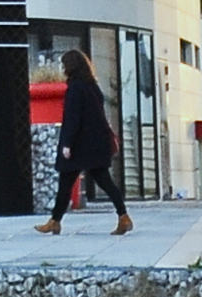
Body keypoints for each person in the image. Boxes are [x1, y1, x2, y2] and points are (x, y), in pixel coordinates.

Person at [35, 49, 131, 236]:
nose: (62, 68)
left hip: (80, 145)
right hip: (96, 143)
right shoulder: (92, 86)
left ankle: (55, 222)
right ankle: (123, 216)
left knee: (66, 182)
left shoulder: (75, 88)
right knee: (104, 181)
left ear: (70, 66)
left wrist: (67, 144)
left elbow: (73, 118)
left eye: (64, 65)